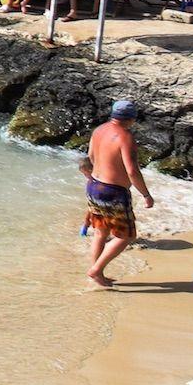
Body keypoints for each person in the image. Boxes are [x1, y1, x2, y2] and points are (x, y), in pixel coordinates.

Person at [85, 98, 154, 288]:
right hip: (113, 192)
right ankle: (96, 271)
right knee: (126, 236)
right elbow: (132, 171)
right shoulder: (125, 137)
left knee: (101, 231)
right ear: (131, 119)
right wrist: (146, 195)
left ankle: (97, 271)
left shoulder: (99, 130)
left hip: (94, 186)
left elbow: (91, 156)